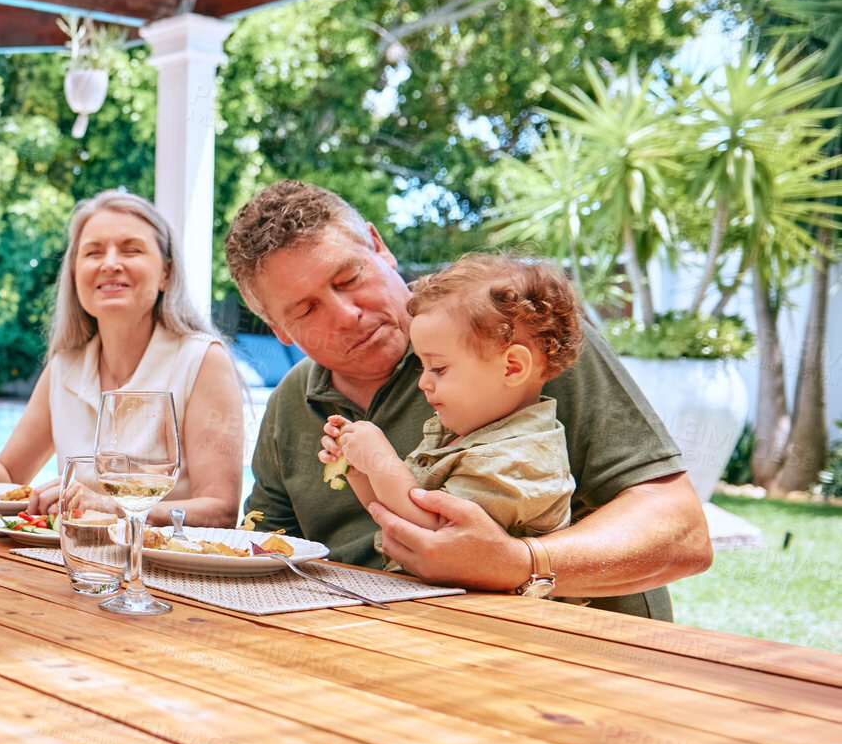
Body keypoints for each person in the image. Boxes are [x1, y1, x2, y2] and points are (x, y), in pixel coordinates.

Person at [224, 180, 711, 617]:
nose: (347, 313)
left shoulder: (512, 343)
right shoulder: (292, 402)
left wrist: (521, 563)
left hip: (574, 662)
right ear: (277, 329)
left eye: (349, 279)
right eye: (306, 309)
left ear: (380, 247)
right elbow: (265, 552)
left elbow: (682, 532)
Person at [0, 189, 244, 527]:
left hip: (167, 575)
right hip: (74, 570)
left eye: (131, 250)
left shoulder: (202, 361)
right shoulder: (64, 366)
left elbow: (221, 511)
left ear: (166, 272)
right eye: (93, 252)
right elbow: (11, 480)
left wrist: (112, 507)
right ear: (75, 273)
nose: (110, 263)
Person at [320, 255, 581, 583]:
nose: (423, 382)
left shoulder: (522, 457)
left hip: (502, 624)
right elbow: (395, 519)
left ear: (512, 366)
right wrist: (358, 469)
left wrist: (380, 462)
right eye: (422, 367)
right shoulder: (462, 434)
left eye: (438, 368)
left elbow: (436, 537)